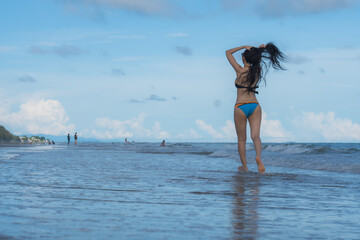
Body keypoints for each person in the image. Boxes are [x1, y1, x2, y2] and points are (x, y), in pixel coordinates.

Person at [226, 43, 285, 173]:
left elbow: (228, 52)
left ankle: (245, 168)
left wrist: (243, 46)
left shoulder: (240, 71)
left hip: (240, 106)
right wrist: (260, 50)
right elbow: (257, 60)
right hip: (255, 105)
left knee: (242, 139)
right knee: (256, 136)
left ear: (243, 59)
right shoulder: (257, 70)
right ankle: (258, 157)